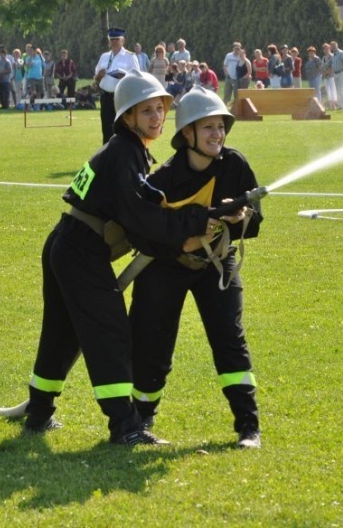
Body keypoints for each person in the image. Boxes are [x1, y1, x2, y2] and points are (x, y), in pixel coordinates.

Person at [24, 69, 217, 446]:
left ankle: (39, 412)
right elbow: (142, 219)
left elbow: (142, 216)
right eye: (147, 112)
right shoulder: (124, 154)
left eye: (160, 109)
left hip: (68, 244)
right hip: (79, 249)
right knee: (110, 332)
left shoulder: (129, 150)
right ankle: (125, 426)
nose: (157, 117)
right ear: (127, 117)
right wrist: (193, 223)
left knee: (63, 333)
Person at [130, 85, 263, 449]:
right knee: (151, 344)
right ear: (186, 133)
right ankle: (139, 421)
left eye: (220, 126)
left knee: (229, 340)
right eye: (207, 127)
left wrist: (236, 220)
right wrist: (188, 232)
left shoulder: (236, 166)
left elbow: (255, 224)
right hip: (165, 268)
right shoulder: (161, 181)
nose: (217, 134)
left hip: (217, 265)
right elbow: (144, 234)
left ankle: (248, 427)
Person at [94, 28, 139, 144]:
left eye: (117, 39)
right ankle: (107, 155)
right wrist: (99, 75)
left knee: (122, 128)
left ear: (123, 40)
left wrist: (125, 77)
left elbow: (137, 78)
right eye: (112, 39)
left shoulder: (130, 56)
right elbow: (96, 79)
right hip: (105, 97)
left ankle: (122, 154)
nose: (114, 42)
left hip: (121, 97)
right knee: (106, 129)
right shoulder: (104, 56)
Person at [330, 41, 343, 109]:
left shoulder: (341, 53)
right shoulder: (333, 55)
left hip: (341, 72)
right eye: (332, 46)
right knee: (337, 90)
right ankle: (339, 104)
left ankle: (342, 105)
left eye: (334, 46)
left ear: (337, 46)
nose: (333, 47)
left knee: (341, 89)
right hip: (335, 73)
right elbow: (333, 65)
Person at [321, 43, 336, 109]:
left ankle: (334, 105)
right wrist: (323, 73)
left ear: (329, 49)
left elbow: (332, 67)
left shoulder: (333, 56)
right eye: (324, 49)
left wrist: (326, 73)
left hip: (331, 76)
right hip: (325, 77)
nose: (326, 50)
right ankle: (330, 105)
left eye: (327, 48)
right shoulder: (324, 58)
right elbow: (322, 67)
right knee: (328, 90)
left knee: (333, 90)